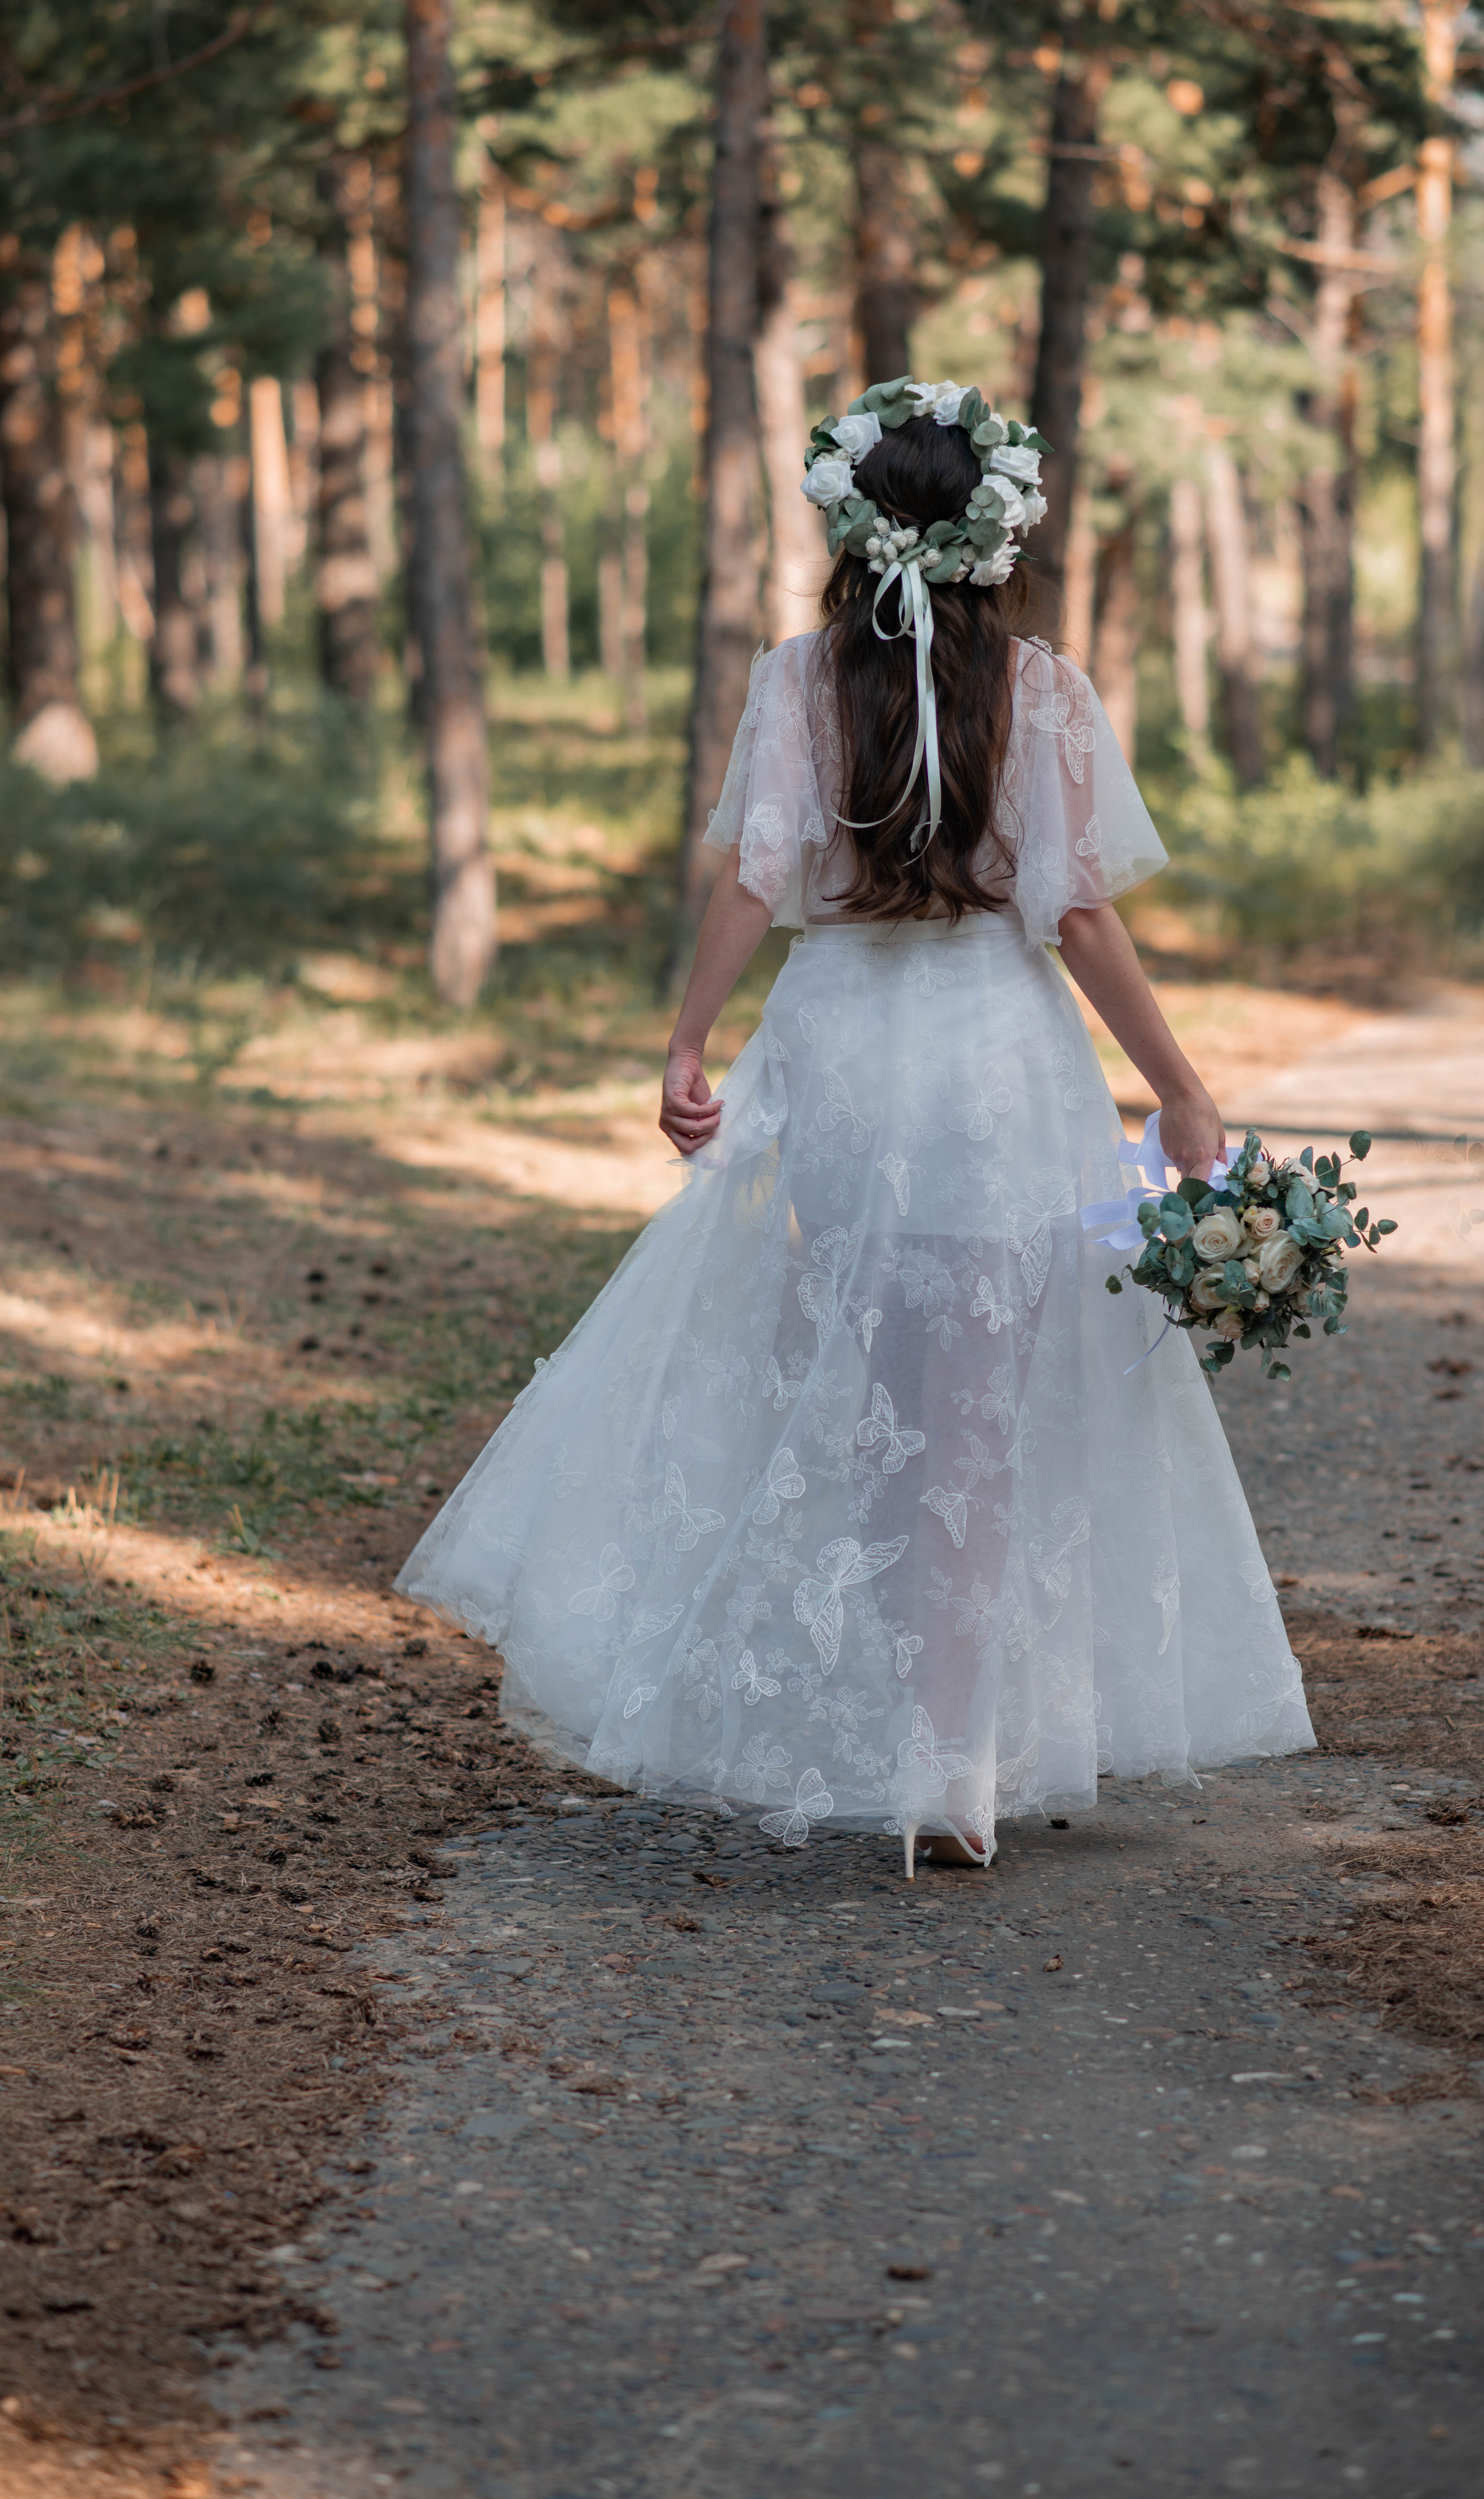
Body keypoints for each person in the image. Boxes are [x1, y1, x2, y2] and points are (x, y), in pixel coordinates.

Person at [397, 378, 1314, 1877]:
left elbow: (756, 875)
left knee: (886, 1413)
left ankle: (915, 1738)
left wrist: (689, 1038)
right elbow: (1077, 913)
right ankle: (952, 1761)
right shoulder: (1044, 691)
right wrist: (1179, 1085)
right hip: (997, 1070)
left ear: (850, 528)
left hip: (842, 1070)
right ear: (996, 538)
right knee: (977, 1419)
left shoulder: (796, 681)